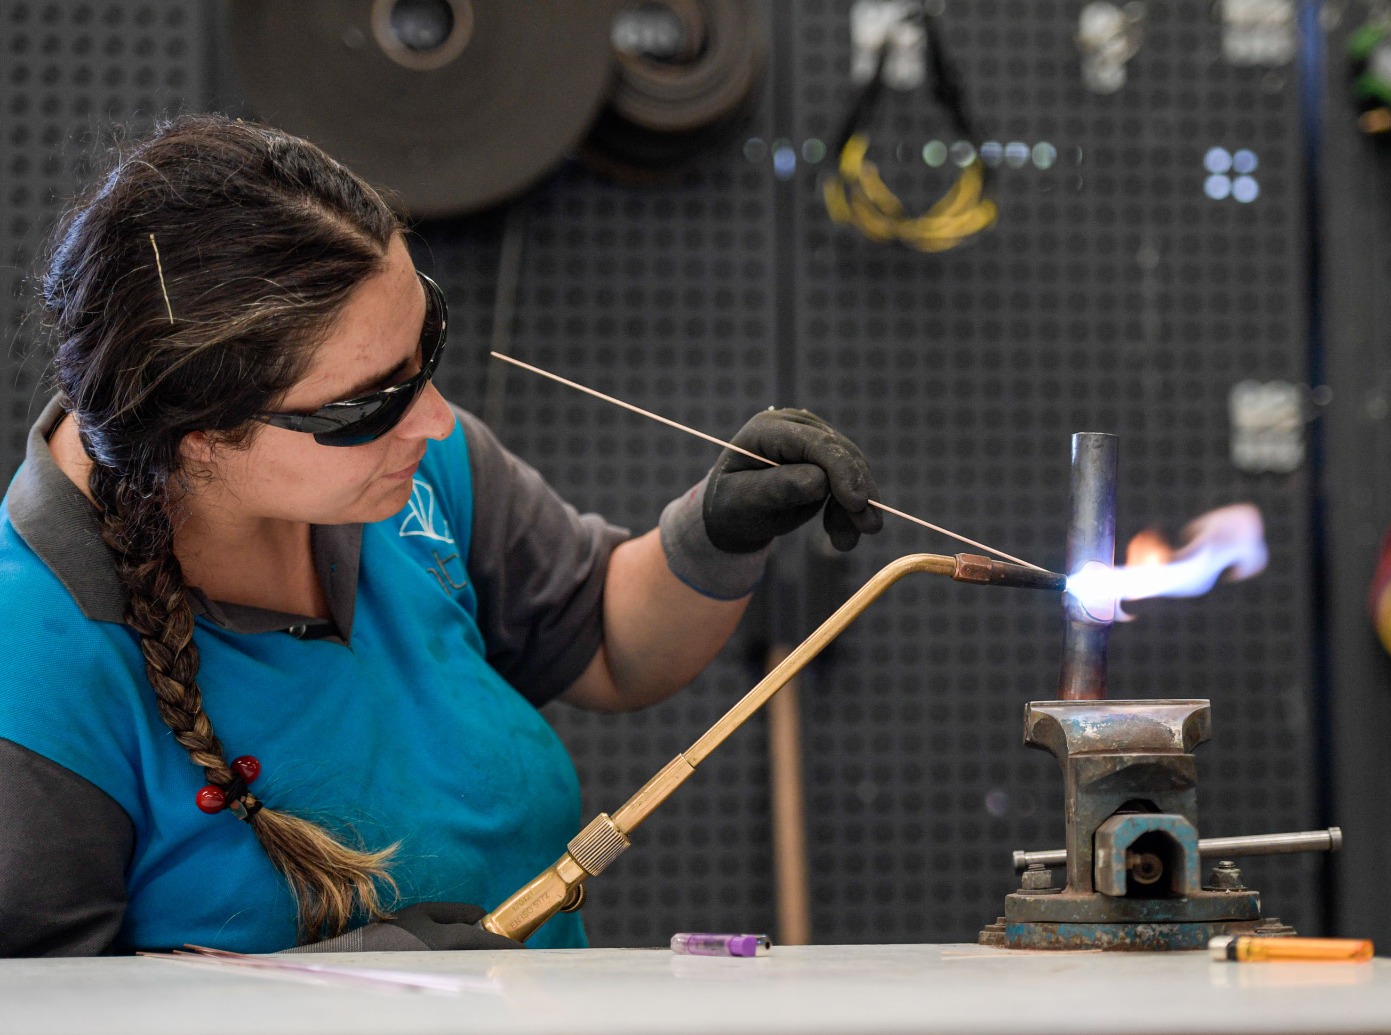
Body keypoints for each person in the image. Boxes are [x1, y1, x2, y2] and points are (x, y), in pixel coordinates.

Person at [0, 114, 881, 956]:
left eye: (427, 346)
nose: (435, 419)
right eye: (373, 401)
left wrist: (713, 534)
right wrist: (329, 993)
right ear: (203, 435)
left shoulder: (403, 468)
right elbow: (43, 1013)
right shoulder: (34, 661)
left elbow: (609, 643)